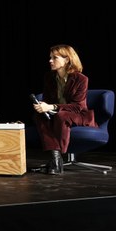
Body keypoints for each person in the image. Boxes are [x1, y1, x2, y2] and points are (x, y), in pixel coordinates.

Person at [32, 44, 96, 175]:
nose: (50, 60)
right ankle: (56, 159)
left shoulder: (81, 79)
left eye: (54, 58)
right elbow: (47, 99)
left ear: (67, 59)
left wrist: (51, 107)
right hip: (56, 113)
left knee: (62, 116)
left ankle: (56, 160)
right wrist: (42, 106)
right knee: (39, 115)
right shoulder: (49, 77)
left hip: (78, 114)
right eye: (50, 57)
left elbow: (78, 106)